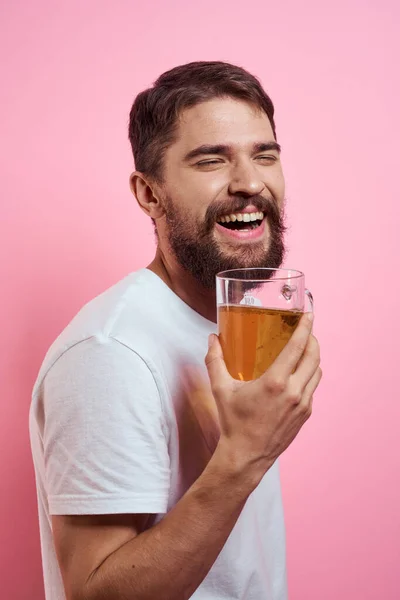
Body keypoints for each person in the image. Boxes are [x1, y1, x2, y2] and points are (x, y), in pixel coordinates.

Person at [30, 61, 322, 600]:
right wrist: (245, 455)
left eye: (265, 155)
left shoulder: (234, 320)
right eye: (211, 160)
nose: (250, 182)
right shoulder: (109, 353)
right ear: (149, 194)